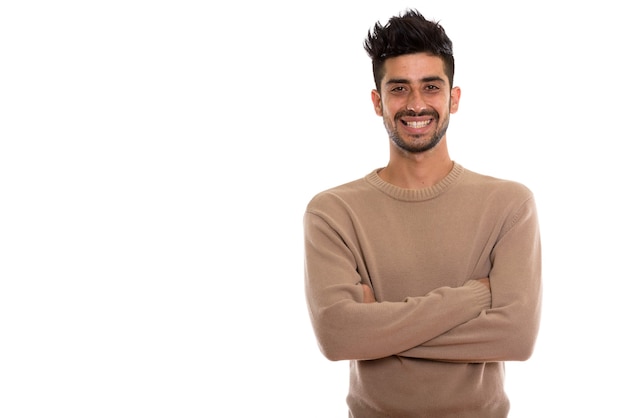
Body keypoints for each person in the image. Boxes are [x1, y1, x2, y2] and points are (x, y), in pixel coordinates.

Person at [303, 9, 542, 418]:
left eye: (430, 87)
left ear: (454, 98)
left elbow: (517, 337)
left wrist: (377, 329)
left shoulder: (509, 204)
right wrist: (478, 295)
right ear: (378, 102)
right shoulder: (333, 212)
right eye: (399, 88)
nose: (416, 104)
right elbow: (338, 336)